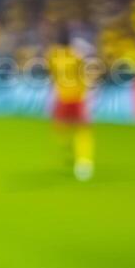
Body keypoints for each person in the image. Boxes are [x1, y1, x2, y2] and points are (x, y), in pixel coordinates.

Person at [47, 33, 94, 181]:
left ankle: (68, 145)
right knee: (83, 130)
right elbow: (85, 73)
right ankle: (84, 161)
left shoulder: (53, 56)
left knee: (60, 128)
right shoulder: (77, 56)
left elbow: (52, 75)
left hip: (63, 97)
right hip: (78, 97)